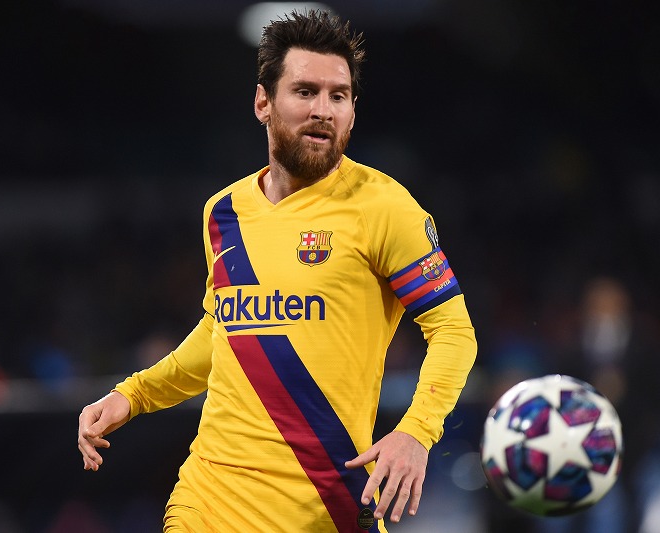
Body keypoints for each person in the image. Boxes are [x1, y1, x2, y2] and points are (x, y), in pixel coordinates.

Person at [78, 10, 477, 532]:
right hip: (211, 498)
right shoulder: (223, 213)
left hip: (327, 507)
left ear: (353, 111)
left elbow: (453, 332)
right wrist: (132, 395)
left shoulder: (384, 208)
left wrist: (416, 432)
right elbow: (224, 334)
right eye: (305, 91)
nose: (323, 110)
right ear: (263, 102)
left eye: (339, 96)